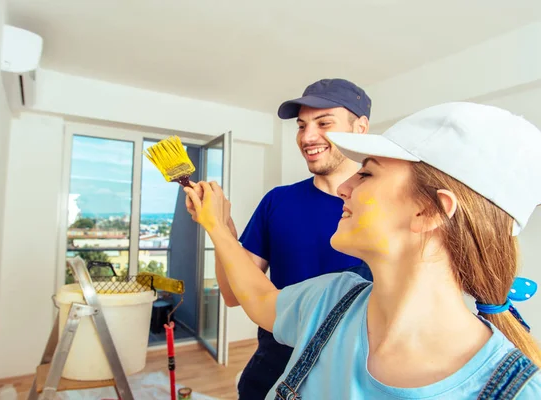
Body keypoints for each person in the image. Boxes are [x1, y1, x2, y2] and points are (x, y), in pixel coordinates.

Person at [185, 102, 541, 399]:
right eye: (302, 125)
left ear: (429, 210)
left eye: (367, 175)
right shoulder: (333, 297)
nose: (345, 187)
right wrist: (217, 227)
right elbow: (257, 297)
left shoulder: (519, 391)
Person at [207, 78, 374, 399]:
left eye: (324, 123)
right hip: (273, 364)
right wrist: (221, 228)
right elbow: (233, 294)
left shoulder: (383, 206)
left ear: (360, 127)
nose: (308, 137)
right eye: (301, 126)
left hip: (351, 372)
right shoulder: (277, 201)